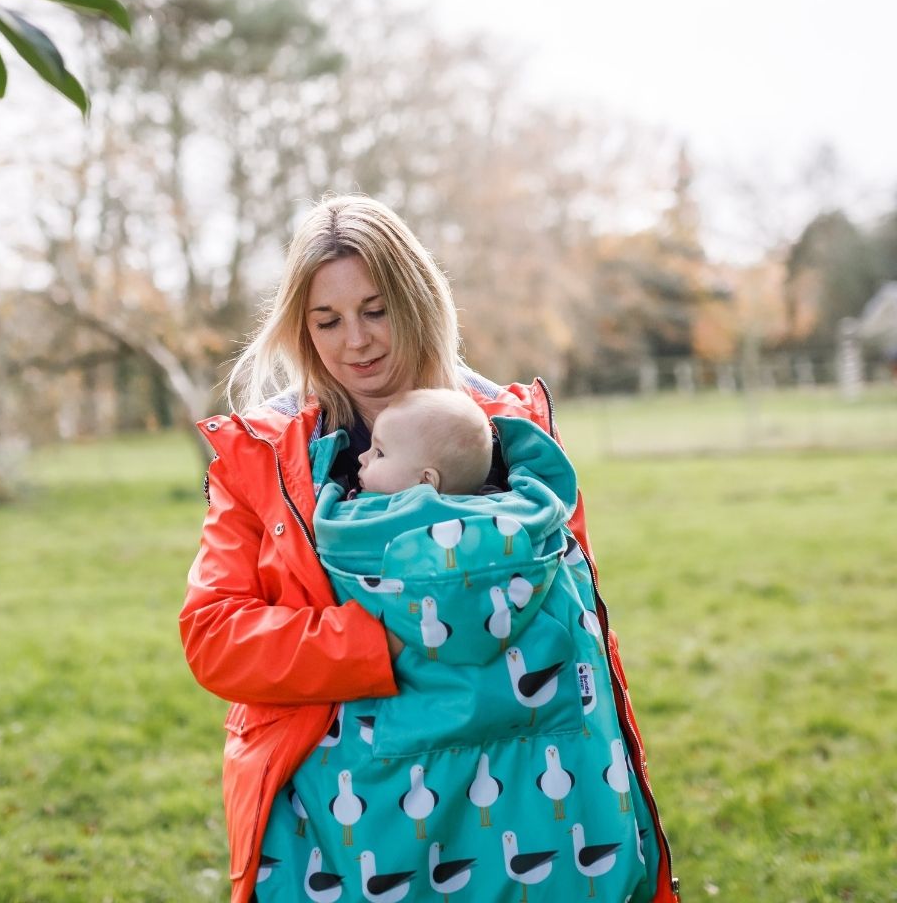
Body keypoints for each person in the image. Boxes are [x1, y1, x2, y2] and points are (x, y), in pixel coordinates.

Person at [179, 194, 679, 903]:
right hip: (348, 832)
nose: (357, 341)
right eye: (328, 321)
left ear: (419, 299)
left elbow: (582, 629)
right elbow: (215, 636)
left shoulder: (513, 439)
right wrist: (389, 638)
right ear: (300, 328)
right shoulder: (262, 458)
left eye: (376, 310)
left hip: (537, 810)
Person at [353, 388, 493, 495]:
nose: (362, 458)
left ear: (425, 482)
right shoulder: (489, 511)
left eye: (379, 453)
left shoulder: (367, 512)